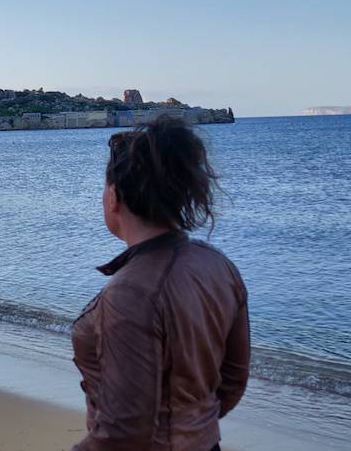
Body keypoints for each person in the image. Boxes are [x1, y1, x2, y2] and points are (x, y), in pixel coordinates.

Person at [71, 117, 250, 451]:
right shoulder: (219, 266)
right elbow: (232, 382)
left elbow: (124, 434)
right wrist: (190, 426)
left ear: (114, 197)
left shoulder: (129, 293)